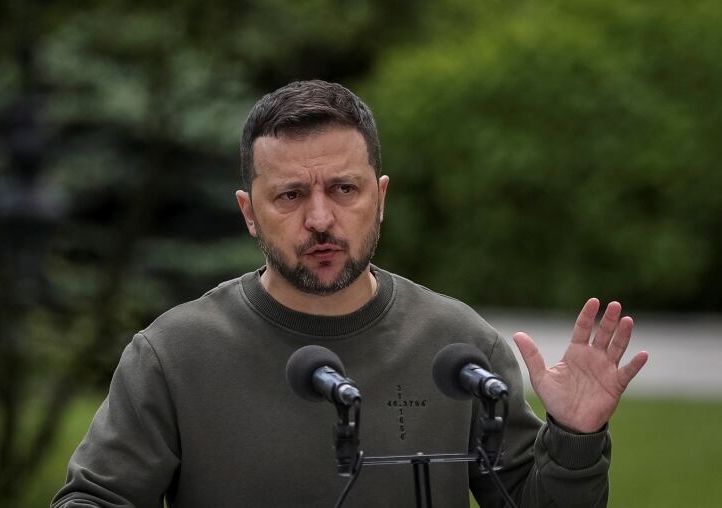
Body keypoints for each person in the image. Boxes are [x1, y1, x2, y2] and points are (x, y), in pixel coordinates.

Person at [52, 80, 648, 508]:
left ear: (380, 198)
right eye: (289, 196)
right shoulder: (173, 354)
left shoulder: (458, 348)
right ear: (249, 213)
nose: (320, 219)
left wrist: (573, 436)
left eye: (344, 189)